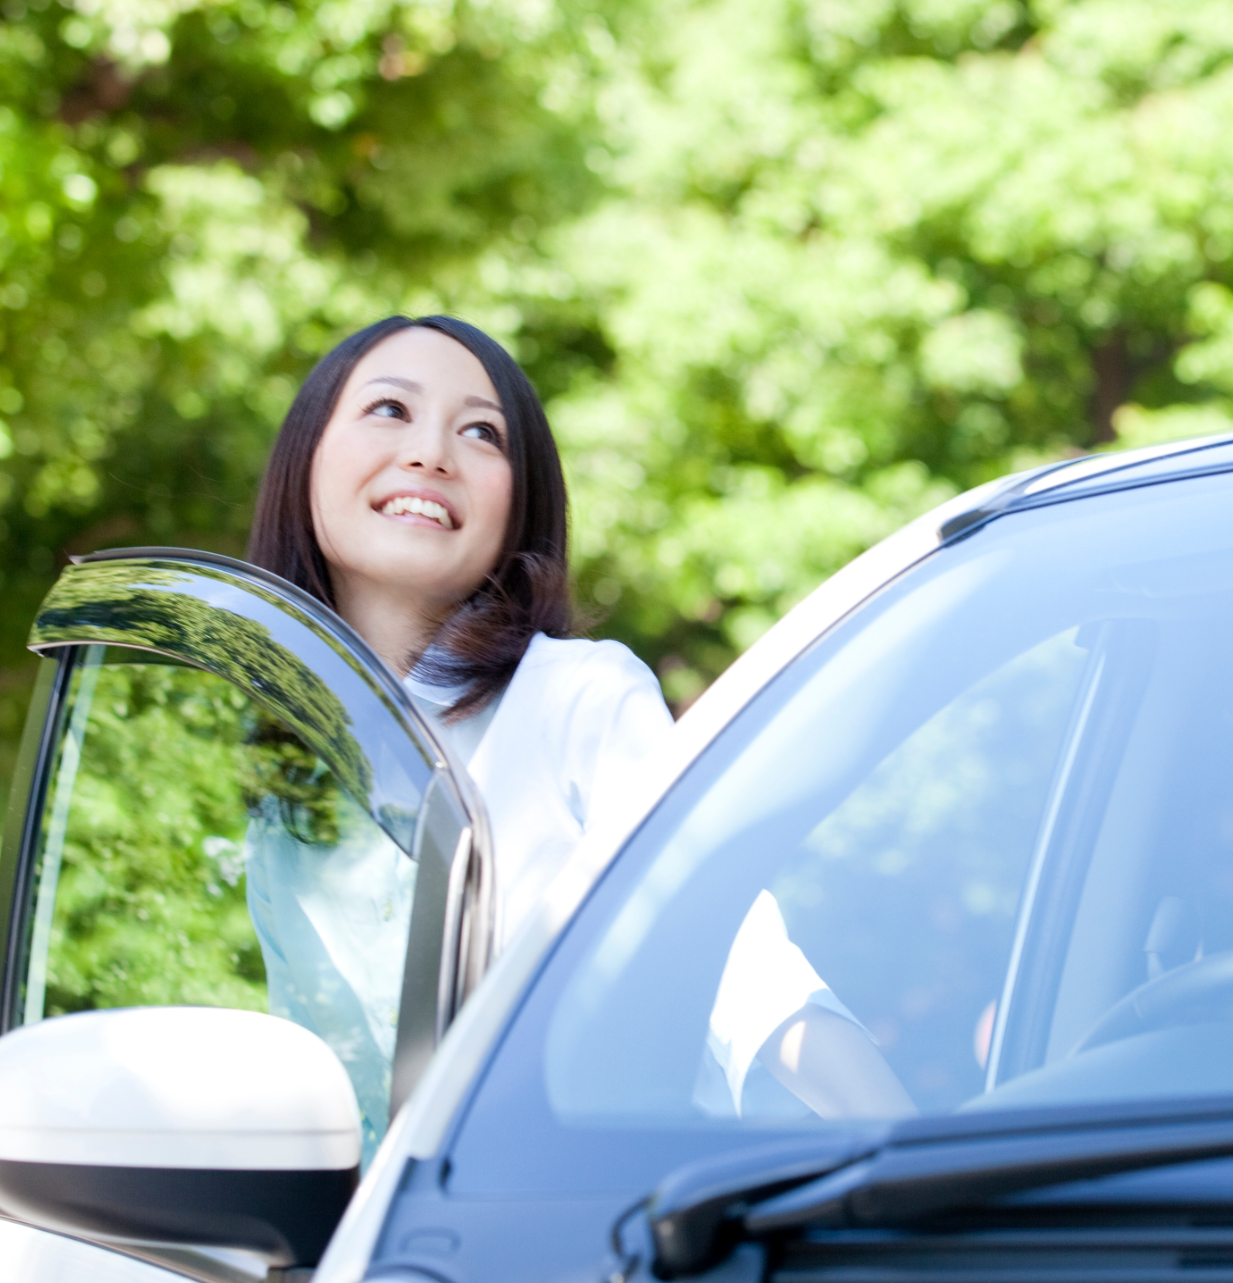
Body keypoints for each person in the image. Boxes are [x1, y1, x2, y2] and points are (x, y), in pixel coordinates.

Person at [243, 315, 913, 1138]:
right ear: (305, 458)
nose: (429, 453)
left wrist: (916, 1157)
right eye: (389, 409)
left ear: (521, 505)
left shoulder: (577, 698)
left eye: (482, 432)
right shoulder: (279, 771)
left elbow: (740, 967)